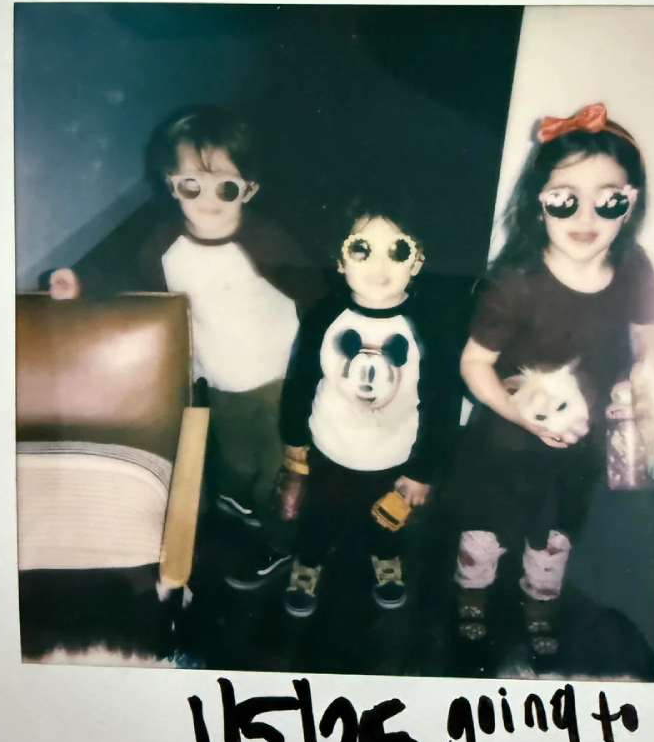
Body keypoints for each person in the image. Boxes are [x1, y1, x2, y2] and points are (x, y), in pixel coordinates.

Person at [48, 105, 327, 584]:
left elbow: (317, 298)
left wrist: (324, 367)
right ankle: (242, 505)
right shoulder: (164, 242)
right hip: (218, 376)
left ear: (249, 189)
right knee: (234, 457)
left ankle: (281, 543)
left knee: (277, 473)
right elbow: (131, 279)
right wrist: (82, 282)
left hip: (279, 379)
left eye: (226, 188)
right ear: (171, 183)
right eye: (192, 185)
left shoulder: (266, 242)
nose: (208, 200)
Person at [450, 102, 654, 658]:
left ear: (632, 203)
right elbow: (474, 363)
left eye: (608, 199)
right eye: (565, 199)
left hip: (581, 444)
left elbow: (651, 336)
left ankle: (540, 603)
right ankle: (472, 597)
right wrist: (515, 412)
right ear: (538, 202)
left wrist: (646, 375)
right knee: (486, 531)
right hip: (507, 440)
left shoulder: (635, 267)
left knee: (556, 534)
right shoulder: (516, 283)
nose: (585, 217)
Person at [277, 197, 460, 619]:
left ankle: (386, 557)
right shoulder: (324, 316)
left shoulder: (431, 326)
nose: (380, 265)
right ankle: (308, 563)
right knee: (319, 516)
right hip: (330, 449)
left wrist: (423, 470)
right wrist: (294, 443)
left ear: (417, 262)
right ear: (340, 261)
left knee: (388, 520)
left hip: (395, 456)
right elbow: (300, 380)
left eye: (398, 250)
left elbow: (443, 402)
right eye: (361, 249)